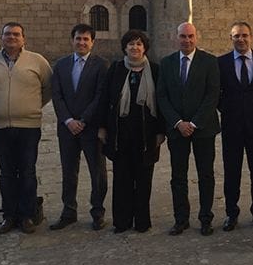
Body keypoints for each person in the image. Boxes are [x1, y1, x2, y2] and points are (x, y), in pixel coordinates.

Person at [0, 22, 52, 234]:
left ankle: (27, 215)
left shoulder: (37, 61)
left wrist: (32, 106)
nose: (12, 37)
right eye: (7, 34)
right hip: (0, 127)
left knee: (28, 171)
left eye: (16, 34)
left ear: (23, 39)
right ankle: (9, 216)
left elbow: (48, 88)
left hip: (29, 126)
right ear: (1, 37)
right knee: (7, 173)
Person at [157, 22, 220, 236]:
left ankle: (205, 218)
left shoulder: (209, 62)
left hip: (203, 129)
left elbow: (212, 95)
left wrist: (193, 123)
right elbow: (162, 96)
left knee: (206, 175)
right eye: (183, 36)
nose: (187, 40)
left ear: (197, 38)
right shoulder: (166, 63)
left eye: (191, 36)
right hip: (177, 130)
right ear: (177, 38)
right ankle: (181, 219)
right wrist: (178, 123)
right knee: (178, 176)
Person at [98, 30, 164, 233]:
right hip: (121, 135)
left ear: (144, 48)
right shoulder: (116, 69)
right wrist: (102, 127)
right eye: (130, 44)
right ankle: (122, 221)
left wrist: (161, 131)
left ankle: (142, 221)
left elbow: (161, 102)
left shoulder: (154, 70)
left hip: (146, 134)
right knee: (122, 179)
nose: (135, 47)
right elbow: (104, 99)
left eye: (139, 44)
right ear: (124, 47)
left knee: (144, 180)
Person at [49, 24, 109, 231]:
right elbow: (56, 96)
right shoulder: (61, 65)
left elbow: (101, 96)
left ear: (92, 42)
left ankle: (98, 211)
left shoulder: (101, 65)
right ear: (72, 40)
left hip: (91, 128)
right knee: (68, 170)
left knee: (97, 171)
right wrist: (68, 120)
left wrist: (83, 120)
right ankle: (68, 211)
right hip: (67, 129)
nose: (81, 42)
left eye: (86, 39)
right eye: (78, 39)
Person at [217, 21, 253, 231]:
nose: (240, 39)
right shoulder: (220, 63)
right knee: (232, 172)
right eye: (236, 36)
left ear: (251, 37)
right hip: (231, 127)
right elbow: (216, 93)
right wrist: (227, 110)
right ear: (230, 39)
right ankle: (231, 214)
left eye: (244, 35)